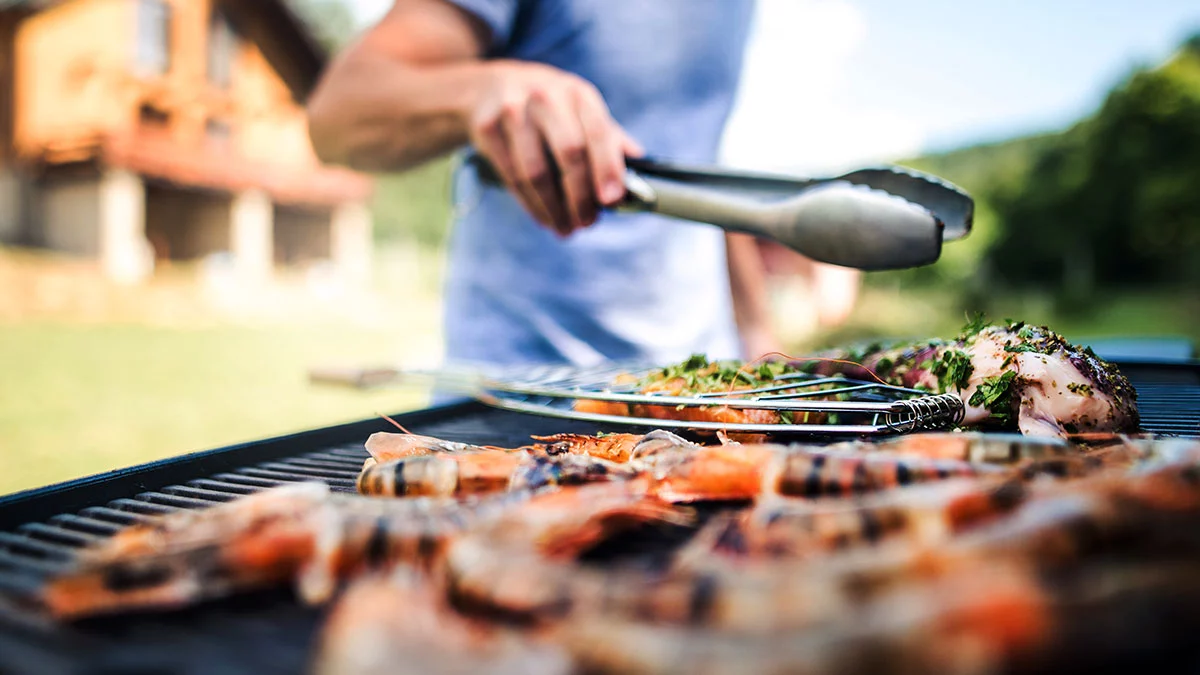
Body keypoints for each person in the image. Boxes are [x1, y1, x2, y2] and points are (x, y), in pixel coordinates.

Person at [307, 0, 780, 368]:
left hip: (695, 388)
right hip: (517, 399)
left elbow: (697, 158)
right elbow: (337, 114)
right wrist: (479, 91)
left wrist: (758, 333)